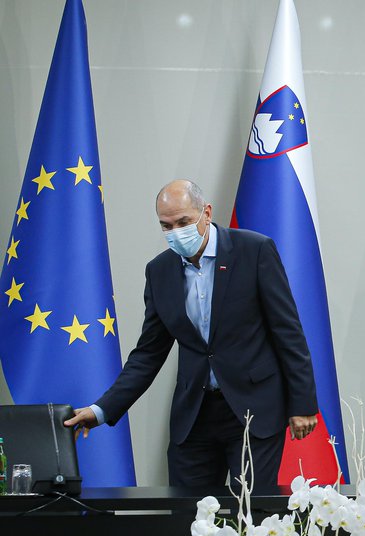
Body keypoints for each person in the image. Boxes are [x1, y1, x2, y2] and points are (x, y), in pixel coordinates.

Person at [65, 179, 318, 487]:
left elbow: (287, 331)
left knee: (251, 517)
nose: (176, 232)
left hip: (253, 409)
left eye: (183, 222)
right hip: (194, 416)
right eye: (166, 226)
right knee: (187, 520)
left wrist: (302, 404)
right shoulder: (159, 271)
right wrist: (102, 409)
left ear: (206, 213)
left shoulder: (254, 251)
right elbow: (148, 353)